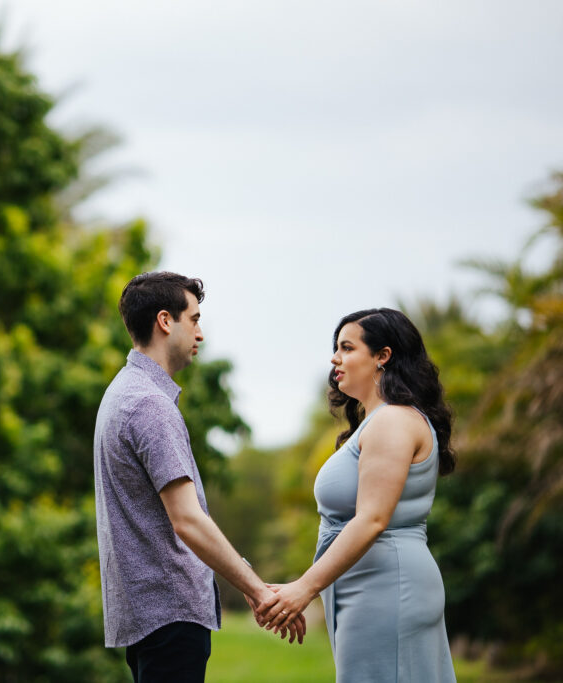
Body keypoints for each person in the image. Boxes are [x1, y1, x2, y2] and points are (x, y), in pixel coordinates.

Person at [94, 271, 304, 683]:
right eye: (194, 319)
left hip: (148, 617)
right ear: (165, 321)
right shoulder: (149, 405)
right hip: (170, 617)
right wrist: (258, 589)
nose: (200, 333)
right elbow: (187, 519)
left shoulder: (122, 392)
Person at [258, 308, 457, 682]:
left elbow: (372, 519)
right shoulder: (380, 421)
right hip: (368, 586)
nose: (335, 358)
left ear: (383, 355)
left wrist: (305, 588)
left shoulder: (393, 421)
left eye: (347, 348)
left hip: (386, 587)